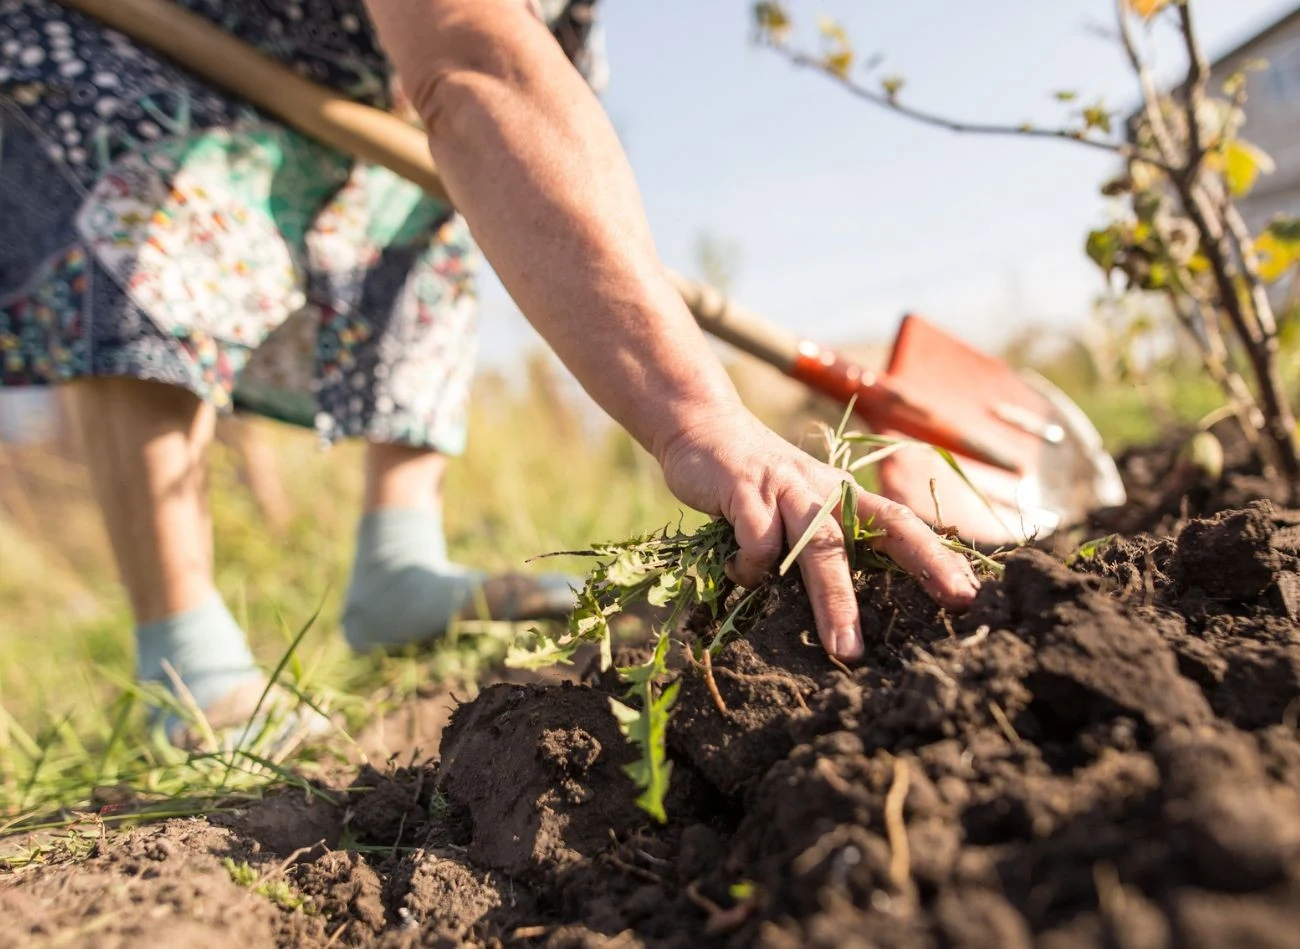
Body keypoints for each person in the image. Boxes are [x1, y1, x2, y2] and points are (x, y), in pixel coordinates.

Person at [0, 0, 979, 738]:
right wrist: (699, 416)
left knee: (463, 182)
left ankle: (398, 564)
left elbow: (537, 128)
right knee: (145, 181)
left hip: (337, 40)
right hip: (136, 26)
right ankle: (186, 656)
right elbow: (475, 71)